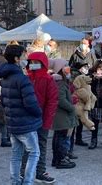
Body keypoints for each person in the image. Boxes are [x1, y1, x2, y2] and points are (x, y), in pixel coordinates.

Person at [0, 44, 42, 185]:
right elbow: (31, 103)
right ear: (16, 58)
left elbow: (3, 100)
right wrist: (39, 113)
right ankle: (27, 182)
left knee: (16, 155)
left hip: (12, 122)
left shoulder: (5, 78)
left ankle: (15, 181)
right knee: (34, 153)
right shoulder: (22, 79)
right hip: (25, 124)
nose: (25, 58)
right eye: (23, 56)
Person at [20, 52, 58, 183]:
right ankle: (23, 172)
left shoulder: (48, 79)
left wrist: (47, 121)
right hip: (27, 119)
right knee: (27, 146)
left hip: (42, 119)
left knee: (41, 145)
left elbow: (52, 102)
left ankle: (40, 172)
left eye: (36, 62)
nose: (33, 65)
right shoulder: (25, 78)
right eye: (31, 62)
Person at [49, 58, 77, 168]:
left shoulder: (61, 81)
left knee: (58, 136)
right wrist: (72, 108)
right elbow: (61, 100)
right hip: (62, 115)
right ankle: (60, 160)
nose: (68, 68)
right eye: (65, 66)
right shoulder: (60, 82)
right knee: (61, 137)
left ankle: (57, 159)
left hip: (61, 115)